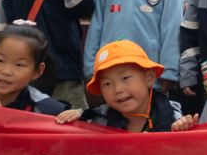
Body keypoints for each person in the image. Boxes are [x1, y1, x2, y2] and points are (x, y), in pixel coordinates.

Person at [60, 40, 193, 132]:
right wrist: (75, 120)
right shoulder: (96, 121)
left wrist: (182, 131)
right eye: (107, 84)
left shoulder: (173, 117)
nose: (117, 89)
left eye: (125, 78)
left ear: (149, 78)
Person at [0, 23, 67, 116]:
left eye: (19, 65)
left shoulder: (45, 110)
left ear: (37, 71)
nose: (6, 71)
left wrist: (70, 117)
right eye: (0, 60)